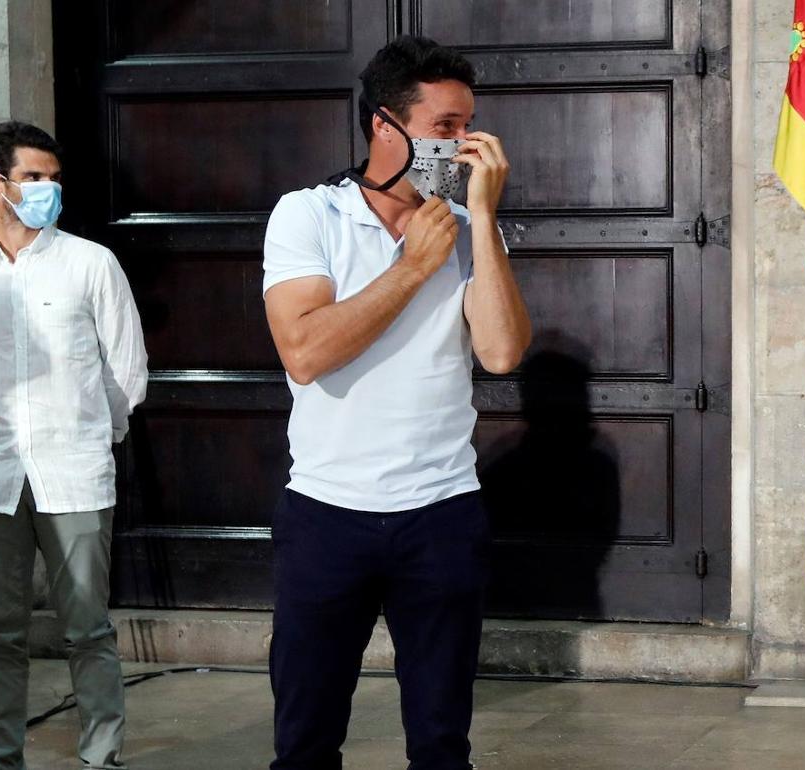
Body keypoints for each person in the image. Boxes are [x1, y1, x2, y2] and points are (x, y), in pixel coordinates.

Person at [261, 36, 532, 770]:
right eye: (446, 127)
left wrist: (480, 218)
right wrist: (413, 268)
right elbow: (307, 352)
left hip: (442, 510)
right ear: (386, 125)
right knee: (307, 739)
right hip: (326, 513)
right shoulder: (307, 214)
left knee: (443, 743)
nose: (466, 142)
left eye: (470, 124)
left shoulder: (467, 225)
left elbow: (502, 352)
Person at [0, 120, 148, 770]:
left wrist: (89, 432)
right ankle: (0, 760)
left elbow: (127, 368)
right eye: (33, 177)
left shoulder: (91, 263)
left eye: (53, 178)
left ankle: (102, 757)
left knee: (88, 628)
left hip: (74, 474)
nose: (48, 188)